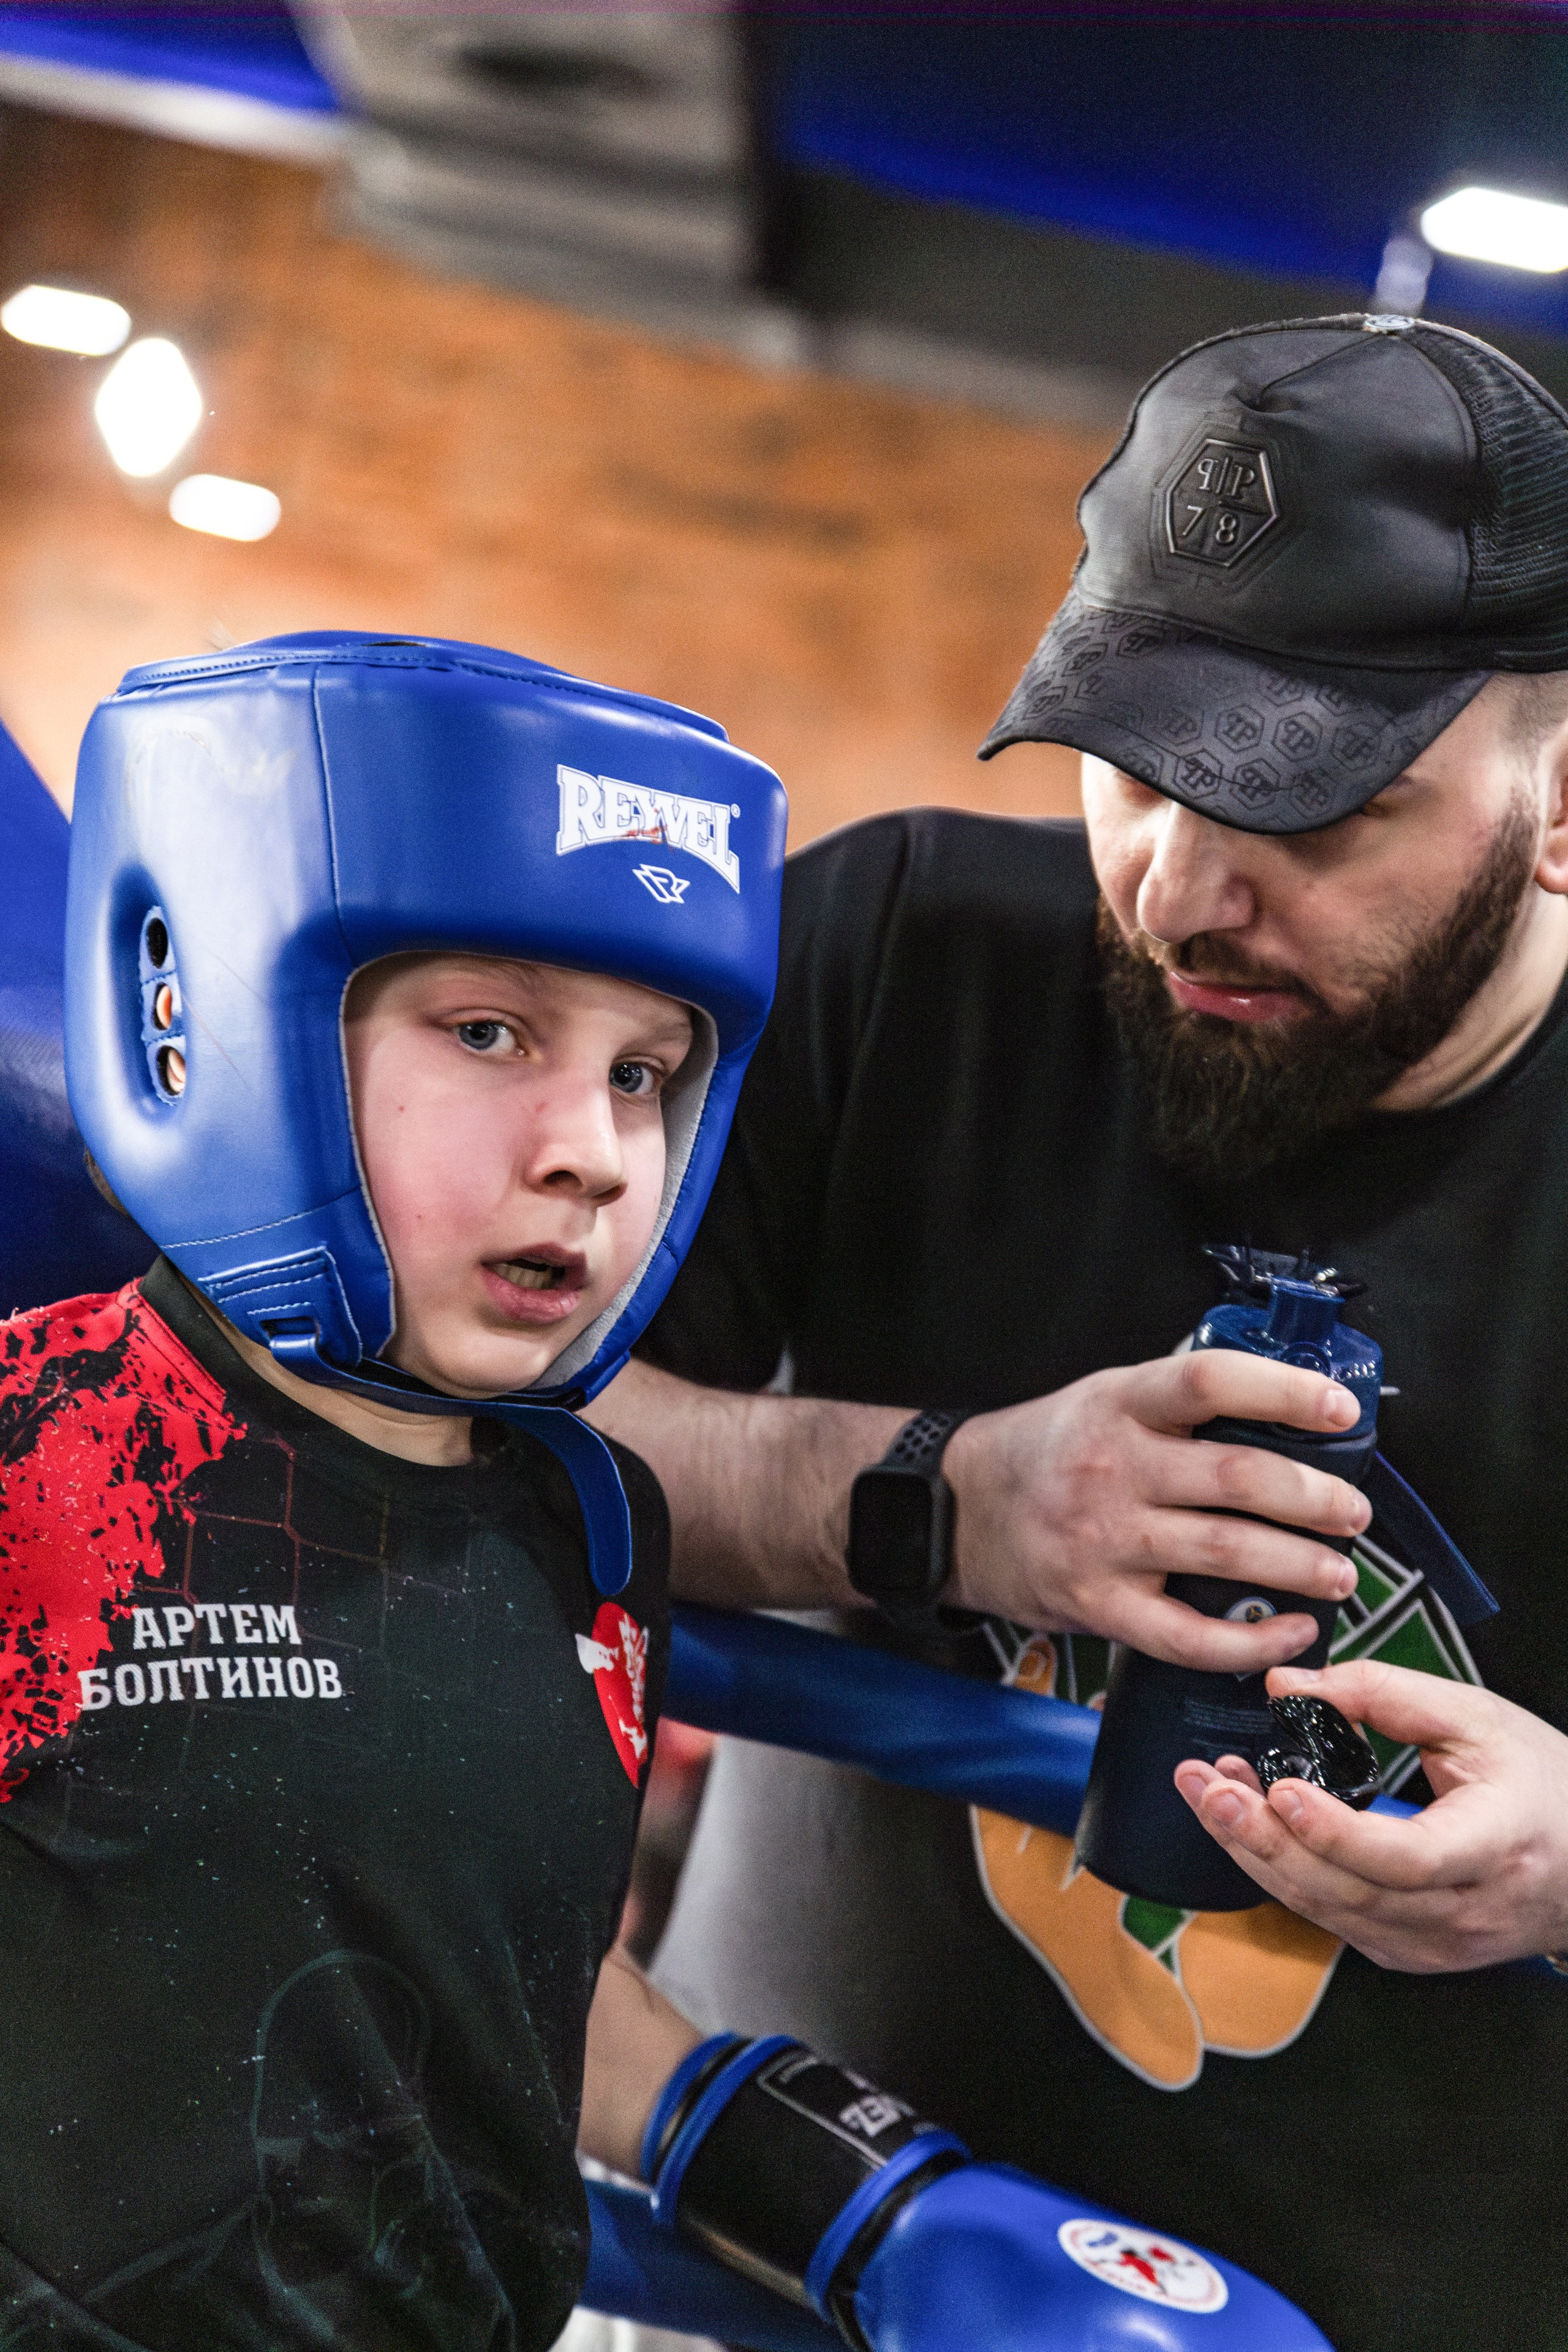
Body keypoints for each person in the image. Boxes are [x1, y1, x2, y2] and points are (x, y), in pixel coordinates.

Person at [5, 630, 1324, 2352]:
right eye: (490, 1032)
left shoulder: (585, 1530)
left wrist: (876, 2198)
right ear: (214, 999)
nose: (596, 1149)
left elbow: (484, 1985)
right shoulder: (43, 1458)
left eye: (644, 1071)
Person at [586, 314, 1568, 2352]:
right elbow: (455, 1455)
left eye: (1314, 803)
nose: (1181, 887)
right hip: (768, 2270)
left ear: (1558, 800)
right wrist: (939, 1502)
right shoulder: (893, 957)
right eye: (1136, 762)